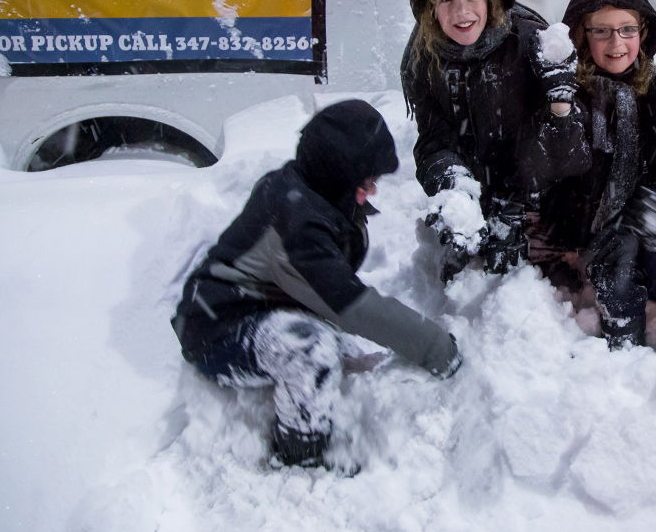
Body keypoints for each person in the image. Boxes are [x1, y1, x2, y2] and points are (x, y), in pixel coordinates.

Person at [171, 100, 461, 469]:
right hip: (217, 329)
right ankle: (300, 450)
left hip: (264, 310)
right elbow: (351, 304)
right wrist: (436, 348)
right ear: (336, 173)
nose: (372, 190)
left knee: (340, 351)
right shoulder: (298, 220)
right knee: (312, 350)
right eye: (366, 180)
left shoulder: (313, 193)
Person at [531, 0, 656, 349]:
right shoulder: (564, 88)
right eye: (601, 31)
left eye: (627, 30)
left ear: (643, 32)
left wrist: (645, 209)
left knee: (622, 276)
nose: (616, 43)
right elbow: (544, 162)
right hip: (568, 220)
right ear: (581, 34)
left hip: (633, 226)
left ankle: (625, 359)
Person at [401, 0, 569, 282]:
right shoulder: (421, 58)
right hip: (474, 193)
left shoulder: (528, 41)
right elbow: (434, 139)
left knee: (527, 280)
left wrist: (516, 205)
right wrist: (453, 184)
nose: (461, 12)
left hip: (536, 193)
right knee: (461, 276)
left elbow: (554, 138)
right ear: (431, 7)